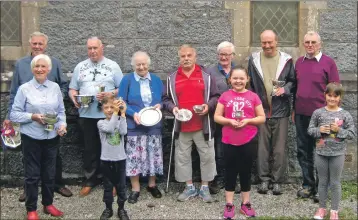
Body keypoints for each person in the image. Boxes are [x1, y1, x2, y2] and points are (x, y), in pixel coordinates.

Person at [3, 31, 72, 201]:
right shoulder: (20, 64)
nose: (37, 46)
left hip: (51, 120)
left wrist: (55, 100)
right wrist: (8, 115)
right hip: (29, 120)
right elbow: (14, 92)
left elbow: (63, 85)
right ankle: (29, 188)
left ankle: (57, 184)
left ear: (45, 45)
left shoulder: (54, 63)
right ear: (30, 44)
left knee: (54, 155)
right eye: (34, 43)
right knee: (28, 156)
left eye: (40, 44)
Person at [10, 54, 67, 220]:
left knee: (49, 173)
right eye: (37, 66)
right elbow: (14, 114)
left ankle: (48, 204)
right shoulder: (24, 89)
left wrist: (62, 125)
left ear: (49, 69)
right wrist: (33, 117)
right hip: (32, 137)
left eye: (43, 66)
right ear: (32, 69)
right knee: (32, 175)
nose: (40, 69)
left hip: (51, 137)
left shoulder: (55, 87)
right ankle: (31, 209)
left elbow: (61, 112)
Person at [163, 44, 219, 203]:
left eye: (189, 55)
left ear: (195, 57)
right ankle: (189, 187)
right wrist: (173, 108)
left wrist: (208, 106)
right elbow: (165, 99)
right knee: (182, 157)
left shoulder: (206, 75)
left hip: (203, 125)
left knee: (207, 156)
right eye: (183, 56)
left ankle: (205, 188)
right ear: (179, 58)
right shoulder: (172, 77)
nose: (186, 58)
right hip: (182, 125)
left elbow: (216, 96)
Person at [69, 37, 123, 196]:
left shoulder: (113, 66)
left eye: (95, 48)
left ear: (102, 48)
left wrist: (110, 93)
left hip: (108, 115)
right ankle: (90, 180)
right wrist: (74, 98)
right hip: (87, 115)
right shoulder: (80, 67)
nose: (92, 51)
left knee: (112, 147)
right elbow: (73, 89)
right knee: (90, 149)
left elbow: (123, 87)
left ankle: (112, 182)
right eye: (89, 48)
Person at [248, 30, 296, 195]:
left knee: (279, 149)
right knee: (261, 148)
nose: (267, 45)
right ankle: (264, 180)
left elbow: (292, 81)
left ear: (276, 41)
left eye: (270, 42)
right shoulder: (253, 60)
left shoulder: (286, 60)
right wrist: (253, 106)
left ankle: (277, 181)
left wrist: (285, 89)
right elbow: (251, 85)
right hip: (261, 111)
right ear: (260, 42)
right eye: (264, 42)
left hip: (280, 110)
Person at [294, 31, 340, 201]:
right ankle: (307, 185)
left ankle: (322, 188)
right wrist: (294, 110)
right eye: (307, 42)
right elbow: (296, 88)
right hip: (301, 115)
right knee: (303, 151)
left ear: (320, 44)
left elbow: (335, 91)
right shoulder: (299, 62)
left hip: (323, 116)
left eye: (313, 42)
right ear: (303, 44)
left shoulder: (328, 63)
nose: (310, 45)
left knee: (323, 151)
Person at [214, 65, 265, 219]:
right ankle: (229, 204)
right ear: (230, 80)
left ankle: (245, 203)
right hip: (229, 140)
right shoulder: (225, 96)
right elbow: (217, 116)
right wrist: (229, 121)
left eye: (241, 78)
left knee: (245, 172)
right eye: (235, 78)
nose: (238, 81)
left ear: (247, 79)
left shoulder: (253, 96)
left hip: (248, 140)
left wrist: (248, 121)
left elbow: (261, 117)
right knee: (229, 172)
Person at [118, 51, 164, 203]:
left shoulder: (156, 80)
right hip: (134, 125)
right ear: (133, 65)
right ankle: (135, 188)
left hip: (153, 124)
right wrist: (132, 113)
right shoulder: (127, 80)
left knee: (153, 155)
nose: (141, 67)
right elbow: (121, 101)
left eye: (144, 64)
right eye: (138, 64)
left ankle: (152, 184)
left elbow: (164, 99)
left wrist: (160, 105)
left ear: (148, 64)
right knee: (134, 157)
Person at [307, 83, 356, 220]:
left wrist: (338, 130)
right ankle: (321, 208)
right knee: (322, 182)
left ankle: (334, 210)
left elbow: (352, 134)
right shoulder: (318, 113)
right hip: (320, 153)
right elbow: (310, 130)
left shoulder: (345, 114)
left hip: (338, 154)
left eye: (335, 96)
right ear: (325, 95)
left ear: (340, 97)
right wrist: (319, 130)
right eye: (330, 95)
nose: (332, 99)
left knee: (335, 182)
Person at [206, 41, 236, 194]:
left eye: (227, 54)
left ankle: (231, 178)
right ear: (218, 55)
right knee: (217, 149)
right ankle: (216, 179)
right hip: (216, 117)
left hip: (236, 117)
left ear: (232, 56)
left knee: (234, 149)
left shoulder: (239, 70)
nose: (224, 57)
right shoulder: (210, 72)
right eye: (221, 54)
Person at [97, 96, 130, 220]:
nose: (110, 110)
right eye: (106, 107)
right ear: (102, 109)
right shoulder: (101, 123)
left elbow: (123, 132)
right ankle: (108, 208)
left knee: (121, 186)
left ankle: (121, 208)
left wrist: (123, 113)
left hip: (120, 159)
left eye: (112, 107)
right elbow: (110, 129)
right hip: (106, 160)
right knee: (108, 186)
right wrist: (117, 112)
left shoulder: (119, 119)